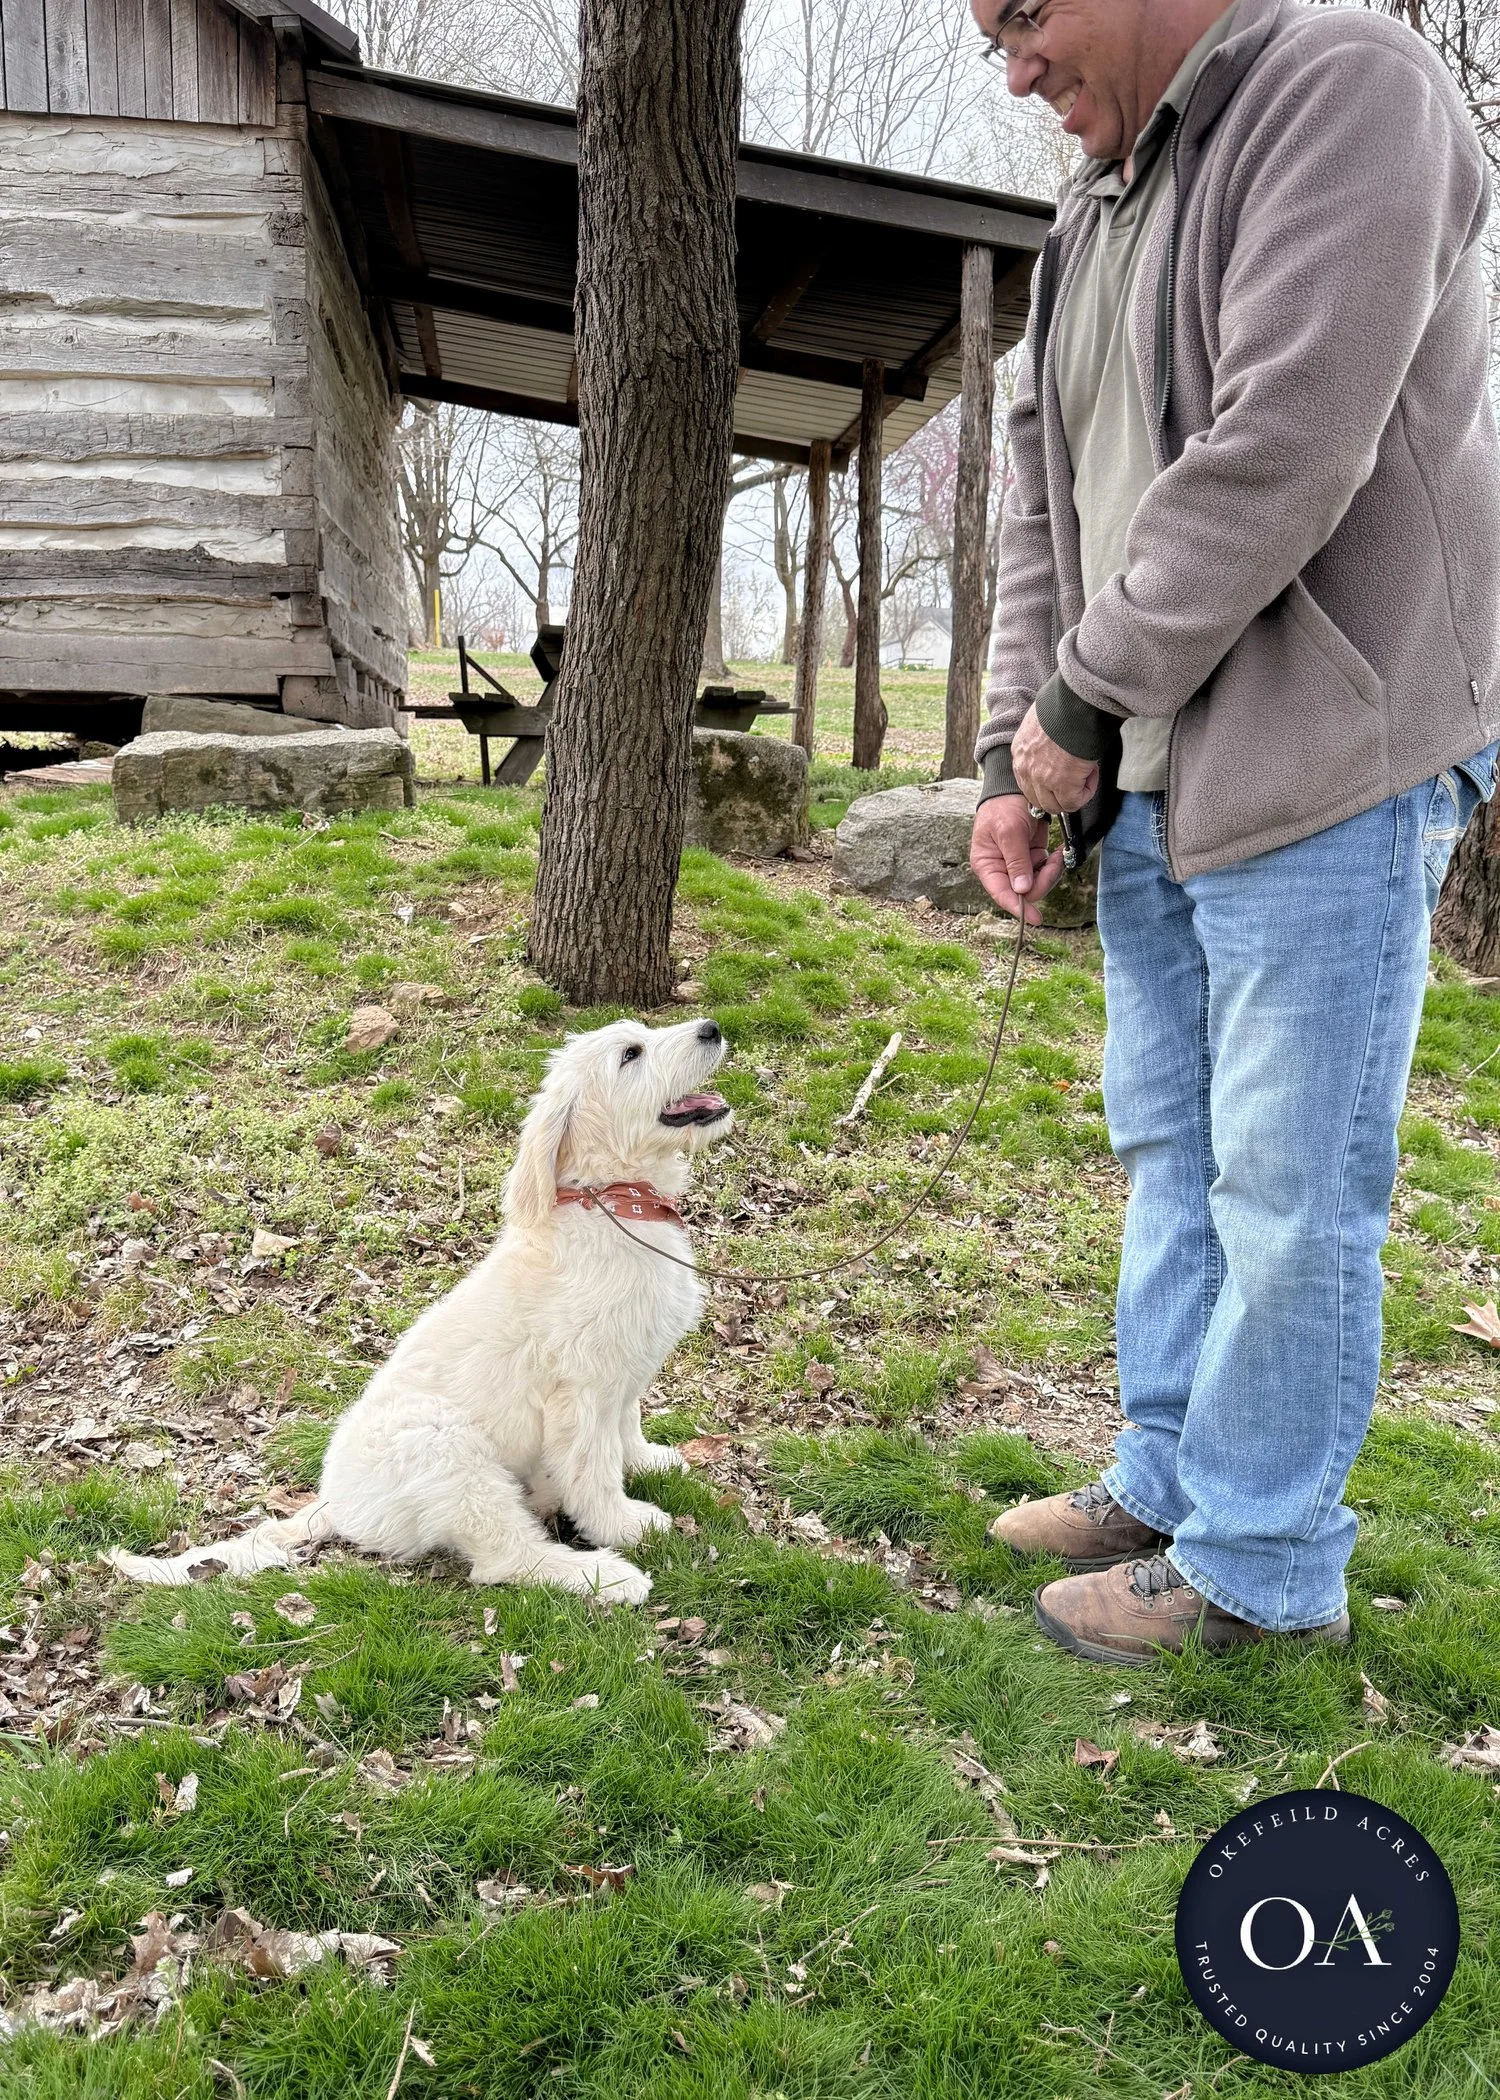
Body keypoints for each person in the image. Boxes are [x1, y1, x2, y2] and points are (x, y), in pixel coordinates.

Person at [968, 0, 1500, 1663]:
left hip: (1325, 753)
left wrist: (1083, 699)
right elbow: (1044, 504)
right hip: (1146, 769)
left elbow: (1288, 443)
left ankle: (1264, 1568)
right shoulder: (1089, 215)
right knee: (1173, 1157)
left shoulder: (1347, 88)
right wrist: (1013, 749)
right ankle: (1170, 1481)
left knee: (1288, 1183)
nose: (1015, 67)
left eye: (1027, 12)